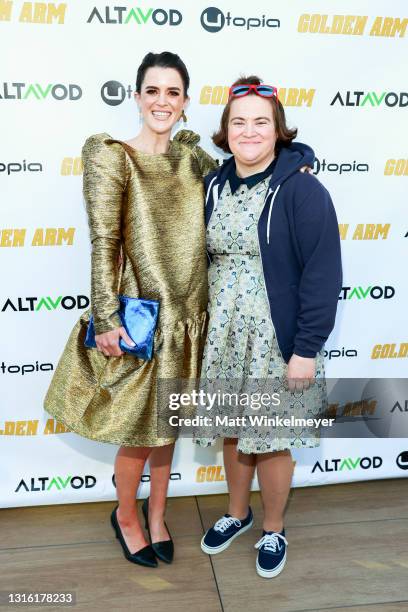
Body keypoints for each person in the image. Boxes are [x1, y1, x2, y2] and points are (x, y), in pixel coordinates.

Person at [44, 51, 216, 568]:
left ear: (185, 102)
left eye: (173, 92)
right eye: (153, 90)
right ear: (137, 96)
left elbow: (247, 175)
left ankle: (158, 513)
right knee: (141, 434)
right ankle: (125, 517)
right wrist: (106, 317)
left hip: (192, 317)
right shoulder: (112, 155)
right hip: (143, 318)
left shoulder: (193, 159)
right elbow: (104, 241)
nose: (162, 101)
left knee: (170, 427)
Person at [195, 76, 342, 578]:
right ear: (226, 130)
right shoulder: (214, 185)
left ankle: (273, 528)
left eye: (261, 122)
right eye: (239, 122)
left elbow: (323, 274)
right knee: (234, 431)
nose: (250, 131)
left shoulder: (302, 189)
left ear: (278, 130)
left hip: (276, 341)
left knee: (273, 437)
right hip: (225, 336)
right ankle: (237, 514)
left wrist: (305, 349)